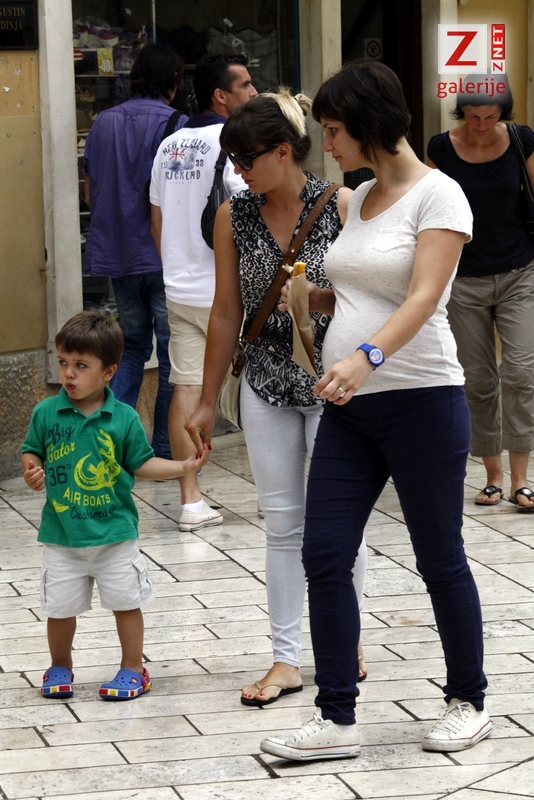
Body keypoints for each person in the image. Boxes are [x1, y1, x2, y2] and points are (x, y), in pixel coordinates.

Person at [259, 60, 492, 761]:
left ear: (367, 124)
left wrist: (366, 356)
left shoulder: (441, 195)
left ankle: (468, 701)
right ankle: (336, 719)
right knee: (324, 553)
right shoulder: (357, 199)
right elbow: (366, 288)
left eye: (333, 130)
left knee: (439, 558)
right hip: (351, 411)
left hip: (423, 403)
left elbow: (423, 296)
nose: (327, 144)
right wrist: (316, 301)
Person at [185, 89, 368, 707]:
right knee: (282, 522)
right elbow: (224, 311)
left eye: (246, 158)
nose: (238, 171)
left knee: (338, 523)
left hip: (331, 382)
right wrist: (206, 399)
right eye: (233, 160)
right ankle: (286, 658)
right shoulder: (232, 215)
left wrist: (322, 307)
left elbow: (367, 297)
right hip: (265, 380)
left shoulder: (342, 205)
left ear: (283, 151)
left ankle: (345, 642)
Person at [21, 311, 208, 701]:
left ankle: (133, 668)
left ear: (108, 372)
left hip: (115, 535)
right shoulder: (46, 413)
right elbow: (31, 451)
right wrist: (31, 470)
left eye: (81, 365)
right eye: (63, 362)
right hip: (62, 535)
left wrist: (182, 467)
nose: (68, 373)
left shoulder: (122, 418)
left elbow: (141, 463)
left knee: (126, 603)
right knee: (59, 608)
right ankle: (60, 665)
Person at [150, 52, 257, 532]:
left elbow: (157, 221)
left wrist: (176, 267)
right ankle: (272, 492)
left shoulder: (168, 145)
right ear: (221, 95)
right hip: (228, 293)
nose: (254, 93)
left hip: (179, 288)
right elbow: (250, 216)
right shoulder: (235, 143)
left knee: (187, 389)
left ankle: (190, 500)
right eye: (246, 85)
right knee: (257, 387)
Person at [427, 76, 534, 511]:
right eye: (474, 117)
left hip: (519, 272)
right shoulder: (441, 149)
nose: (483, 126)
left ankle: (522, 480)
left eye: (492, 117)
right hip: (464, 279)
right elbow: (428, 210)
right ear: (462, 112)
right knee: (479, 379)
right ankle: (493, 477)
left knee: (522, 372)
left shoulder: (523, 141)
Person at [84, 43, 188, 460]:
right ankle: (162, 448)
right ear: (173, 82)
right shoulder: (177, 125)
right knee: (172, 355)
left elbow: (90, 191)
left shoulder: (102, 122)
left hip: (119, 254)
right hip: (164, 255)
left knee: (131, 347)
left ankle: (109, 444)